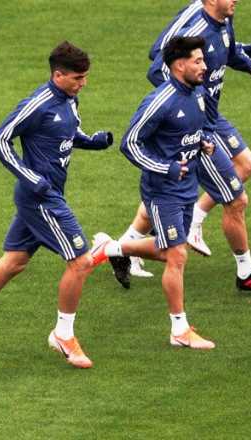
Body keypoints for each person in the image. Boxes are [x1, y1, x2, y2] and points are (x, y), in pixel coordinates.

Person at [0, 42, 116, 369]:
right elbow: (0, 139)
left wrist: (91, 141)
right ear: (58, 74)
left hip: (50, 193)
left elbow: (65, 133)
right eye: (77, 78)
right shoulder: (38, 103)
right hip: (40, 197)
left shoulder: (69, 100)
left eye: (85, 77)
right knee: (80, 262)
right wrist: (28, 176)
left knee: (15, 261)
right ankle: (63, 335)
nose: (83, 83)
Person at [114, 0, 251, 294]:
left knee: (244, 166)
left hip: (211, 117)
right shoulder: (192, 24)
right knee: (235, 200)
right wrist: (187, 98)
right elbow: (159, 61)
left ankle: (121, 247)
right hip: (195, 127)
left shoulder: (224, 19)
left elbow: (226, 51)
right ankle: (246, 272)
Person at [105, 36, 218, 349]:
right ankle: (179, 330)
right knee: (177, 255)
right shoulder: (160, 100)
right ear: (179, 65)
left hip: (186, 186)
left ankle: (115, 249)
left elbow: (198, 128)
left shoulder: (197, 92)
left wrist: (203, 142)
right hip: (163, 190)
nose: (205, 66)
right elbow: (130, 144)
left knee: (172, 251)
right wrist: (165, 168)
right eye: (198, 61)